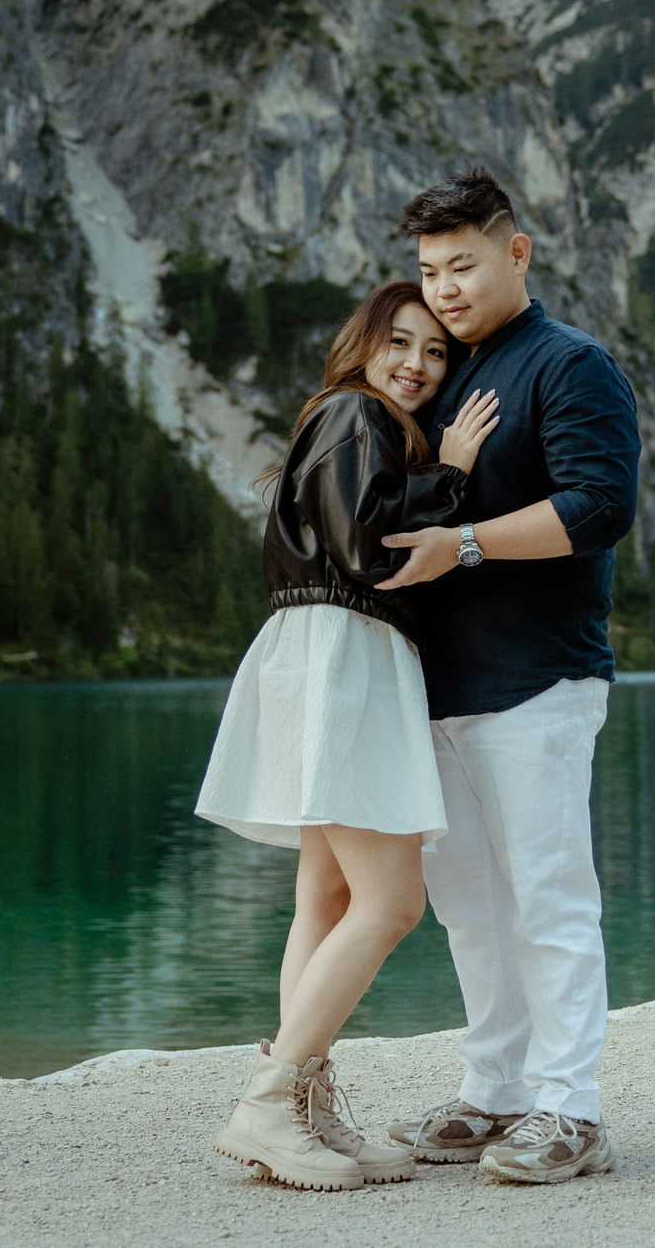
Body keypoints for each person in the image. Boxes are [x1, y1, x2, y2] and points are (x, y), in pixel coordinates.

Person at [195, 280, 503, 1192]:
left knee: (326, 899)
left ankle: (305, 1109)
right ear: (362, 345)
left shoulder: (351, 422)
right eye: (399, 342)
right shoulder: (355, 415)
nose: (416, 362)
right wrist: (450, 479)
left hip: (323, 654)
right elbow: (371, 553)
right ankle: (267, 1102)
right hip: (345, 656)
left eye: (435, 351)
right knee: (391, 903)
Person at [376, 167, 641, 1185]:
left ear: (516, 252)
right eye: (429, 269)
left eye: (463, 264)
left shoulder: (571, 365)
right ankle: (494, 1091)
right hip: (437, 686)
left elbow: (600, 506)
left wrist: (467, 545)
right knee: (470, 904)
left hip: (538, 680)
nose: (443, 287)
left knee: (547, 896)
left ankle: (571, 1109)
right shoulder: (439, 369)